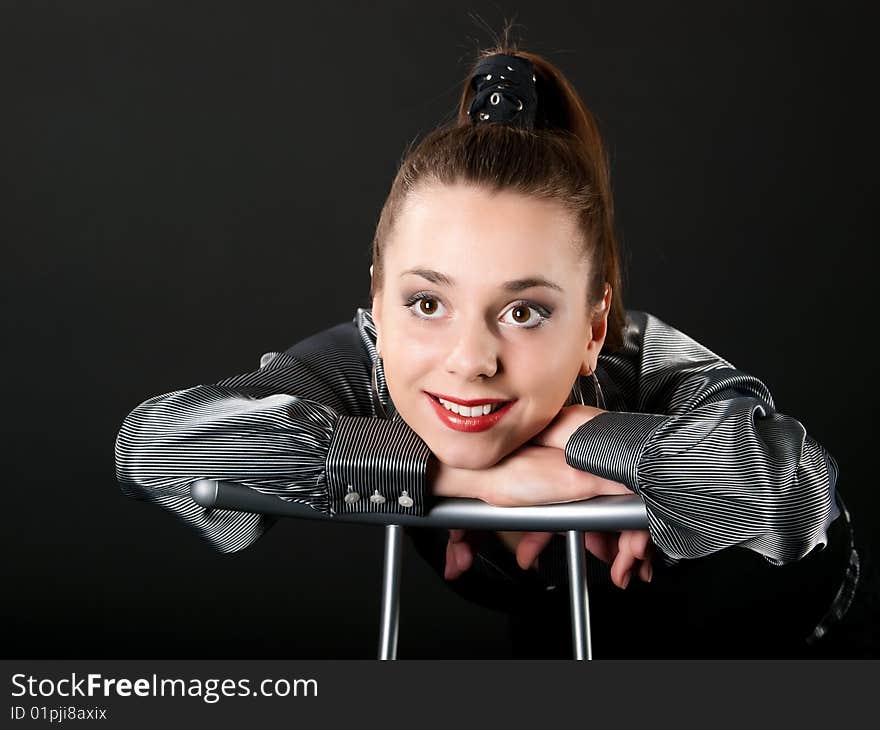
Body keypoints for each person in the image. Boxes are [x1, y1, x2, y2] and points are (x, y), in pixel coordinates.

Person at [114, 40, 859, 658]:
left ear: (593, 329)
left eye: (526, 311)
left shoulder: (654, 364)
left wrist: (587, 439)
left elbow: (793, 493)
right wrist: (476, 478)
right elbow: (156, 448)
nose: (470, 359)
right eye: (428, 302)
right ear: (377, 301)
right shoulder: (372, 365)